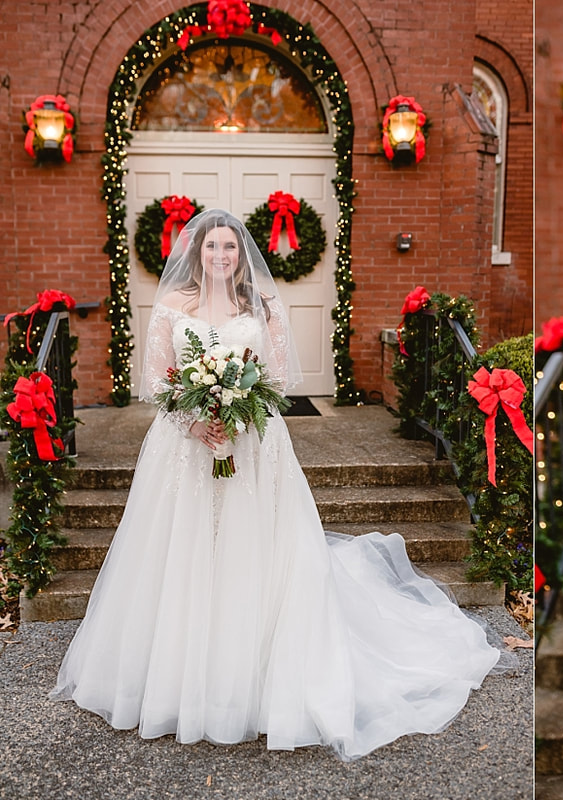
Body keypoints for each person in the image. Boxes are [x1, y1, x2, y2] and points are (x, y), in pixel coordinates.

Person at [51, 209, 501, 758]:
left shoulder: (261, 307)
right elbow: (156, 381)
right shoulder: (171, 307)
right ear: (196, 252)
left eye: (230, 248)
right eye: (212, 246)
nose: (221, 255)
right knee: (184, 552)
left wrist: (239, 413)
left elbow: (279, 379)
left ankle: (257, 674)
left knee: (256, 551)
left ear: (241, 255)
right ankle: (180, 676)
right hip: (184, 450)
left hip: (255, 446)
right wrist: (196, 421)